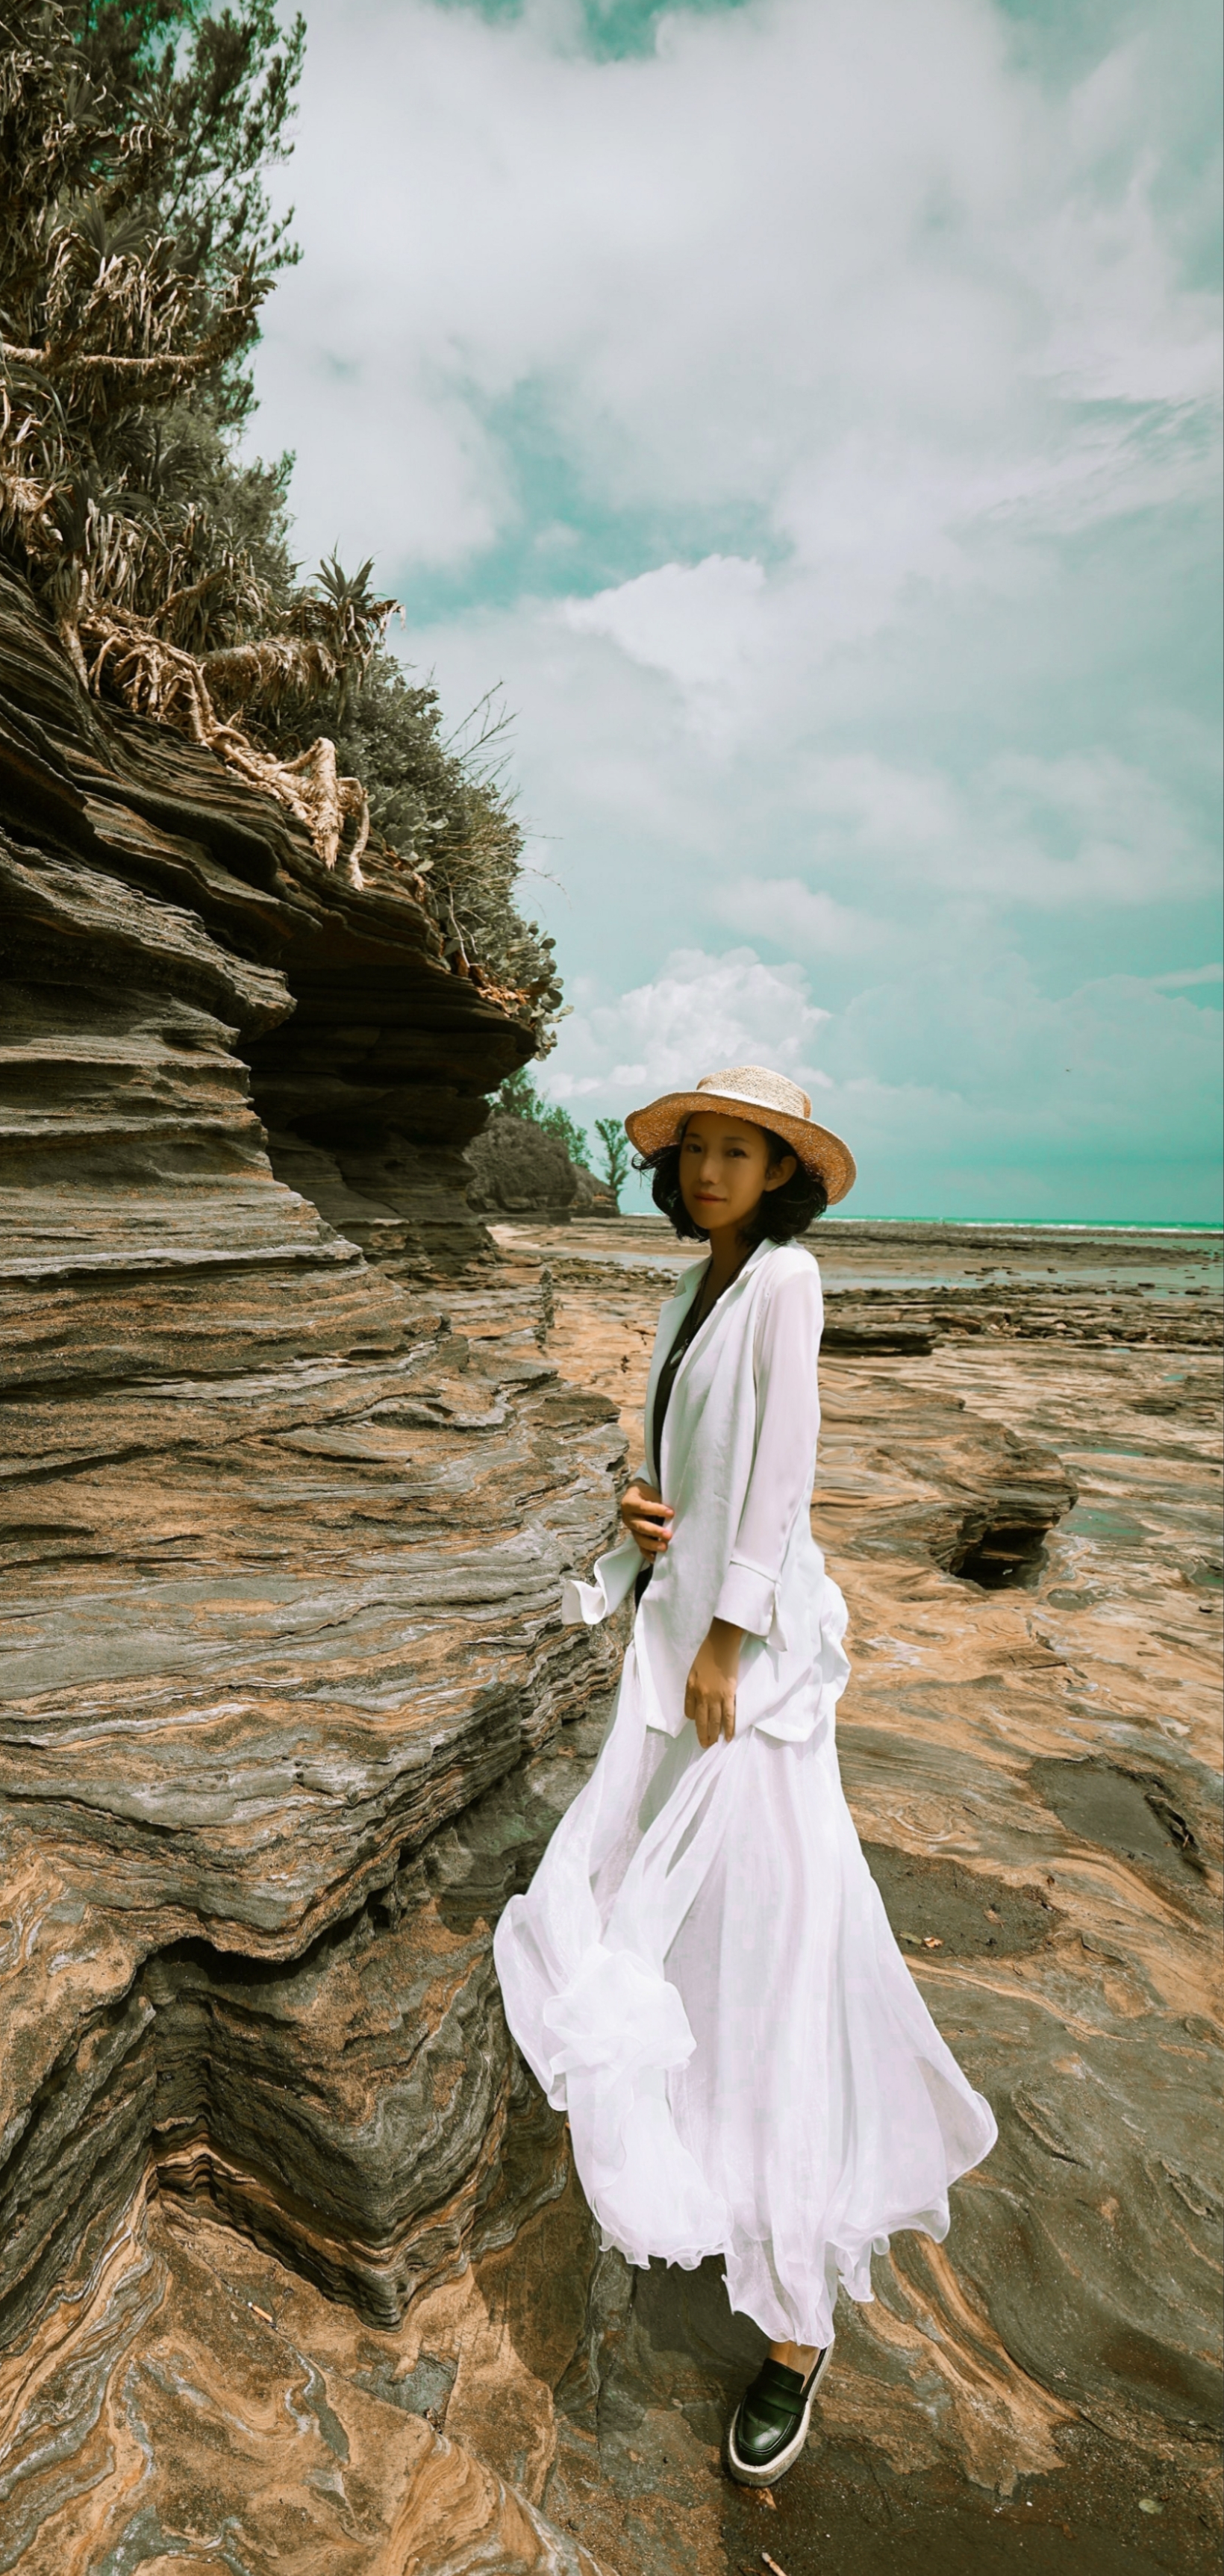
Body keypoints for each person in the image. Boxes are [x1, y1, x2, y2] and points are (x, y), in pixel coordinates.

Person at [493, 1065, 996, 2487]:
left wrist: (728, 1634)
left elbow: (786, 1473)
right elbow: (700, 1476)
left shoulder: (786, 1279)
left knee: (777, 1943)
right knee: (670, 1920)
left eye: (739, 1152)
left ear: (782, 1174)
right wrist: (642, 1520)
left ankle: (793, 2330)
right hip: (679, 1642)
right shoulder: (689, 1291)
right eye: (696, 1149)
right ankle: (703, 2171)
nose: (710, 1168)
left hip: (747, 1672)